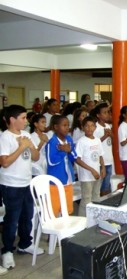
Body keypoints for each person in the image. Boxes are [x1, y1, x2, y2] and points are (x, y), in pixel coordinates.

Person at [0, 105, 43, 272]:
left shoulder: (25, 135)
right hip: (11, 185)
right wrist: (21, 147)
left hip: (27, 183)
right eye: (23, 118)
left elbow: (36, 157)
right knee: (12, 219)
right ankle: (7, 250)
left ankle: (25, 244)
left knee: (27, 216)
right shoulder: (5, 137)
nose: (26, 121)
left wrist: (30, 146)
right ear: (12, 120)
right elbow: (4, 162)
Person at [45, 115, 77, 216]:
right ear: (56, 127)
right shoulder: (52, 143)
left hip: (68, 180)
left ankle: (66, 229)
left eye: (68, 125)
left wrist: (69, 150)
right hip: (55, 181)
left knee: (67, 210)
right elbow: (51, 161)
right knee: (54, 210)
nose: (67, 128)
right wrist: (63, 151)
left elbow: (74, 156)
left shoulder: (69, 139)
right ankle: (53, 230)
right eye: (64, 125)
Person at [75, 116, 105, 216]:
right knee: (86, 199)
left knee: (96, 196)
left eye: (92, 126)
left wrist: (103, 168)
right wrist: (91, 170)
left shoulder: (97, 140)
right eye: (87, 126)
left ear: (95, 127)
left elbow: (100, 155)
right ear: (83, 127)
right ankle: (82, 219)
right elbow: (77, 159)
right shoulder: (81, 141)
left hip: (97, 173)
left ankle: (95, 218)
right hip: (86, 175)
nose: (90, 128)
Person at [91, 103, 114, 196]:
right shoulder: (95, 127)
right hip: (101, 161)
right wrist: (105, 136)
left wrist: (111, 135)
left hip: (109, 159)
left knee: (106, 185)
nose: (107, 114)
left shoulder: (108, 126)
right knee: (99, 186)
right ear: (98, 115)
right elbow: (94, 143)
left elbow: (112, 140)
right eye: (104, 112)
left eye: (108, 112)